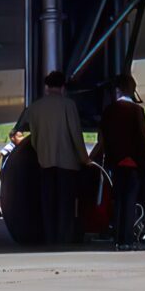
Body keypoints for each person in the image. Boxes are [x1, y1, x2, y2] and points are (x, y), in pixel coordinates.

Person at [10, 69, 90, 244]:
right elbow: (76, 134)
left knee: (48, 204)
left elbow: (17, 130)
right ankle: (64, 238)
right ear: (62, 87)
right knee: (66, 205)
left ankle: (50, 237)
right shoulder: (68, 105)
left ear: (47, 87)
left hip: (45, 162)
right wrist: (84, 158)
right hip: (67, 164)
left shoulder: (35, 107)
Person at [94, 72, 145, 250]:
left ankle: (118, 237)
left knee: (119, 200)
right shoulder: (137, 111)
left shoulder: (109, 111)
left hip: (116, 162)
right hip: (133, 162)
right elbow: (144, 139)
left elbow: (104, 138)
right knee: (130, 200)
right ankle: (127, 238)